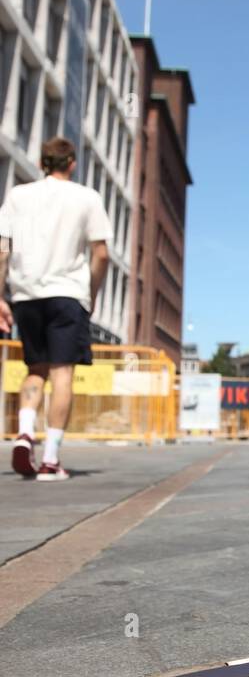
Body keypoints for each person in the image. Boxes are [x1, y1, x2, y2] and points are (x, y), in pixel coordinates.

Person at [0, 136, 111, 481]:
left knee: (36, 368)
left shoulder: (18, 196)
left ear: (42, 161)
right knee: (63, 374)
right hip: (67, 294)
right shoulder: (85, 197)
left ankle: (25, 432)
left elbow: (3, 250)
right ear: (72, 163)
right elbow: (101, 253)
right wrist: (90, 293)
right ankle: (50, 459)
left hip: (26, 294)